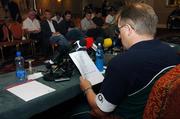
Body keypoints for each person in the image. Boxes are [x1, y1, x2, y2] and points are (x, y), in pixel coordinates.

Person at [77, 3, 180, 119]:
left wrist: (87, 88)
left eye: (119, 29)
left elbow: (100, 111)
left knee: (76, 111)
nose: (119, 36)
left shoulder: (121, 63)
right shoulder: (173, 53)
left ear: (127, 29)